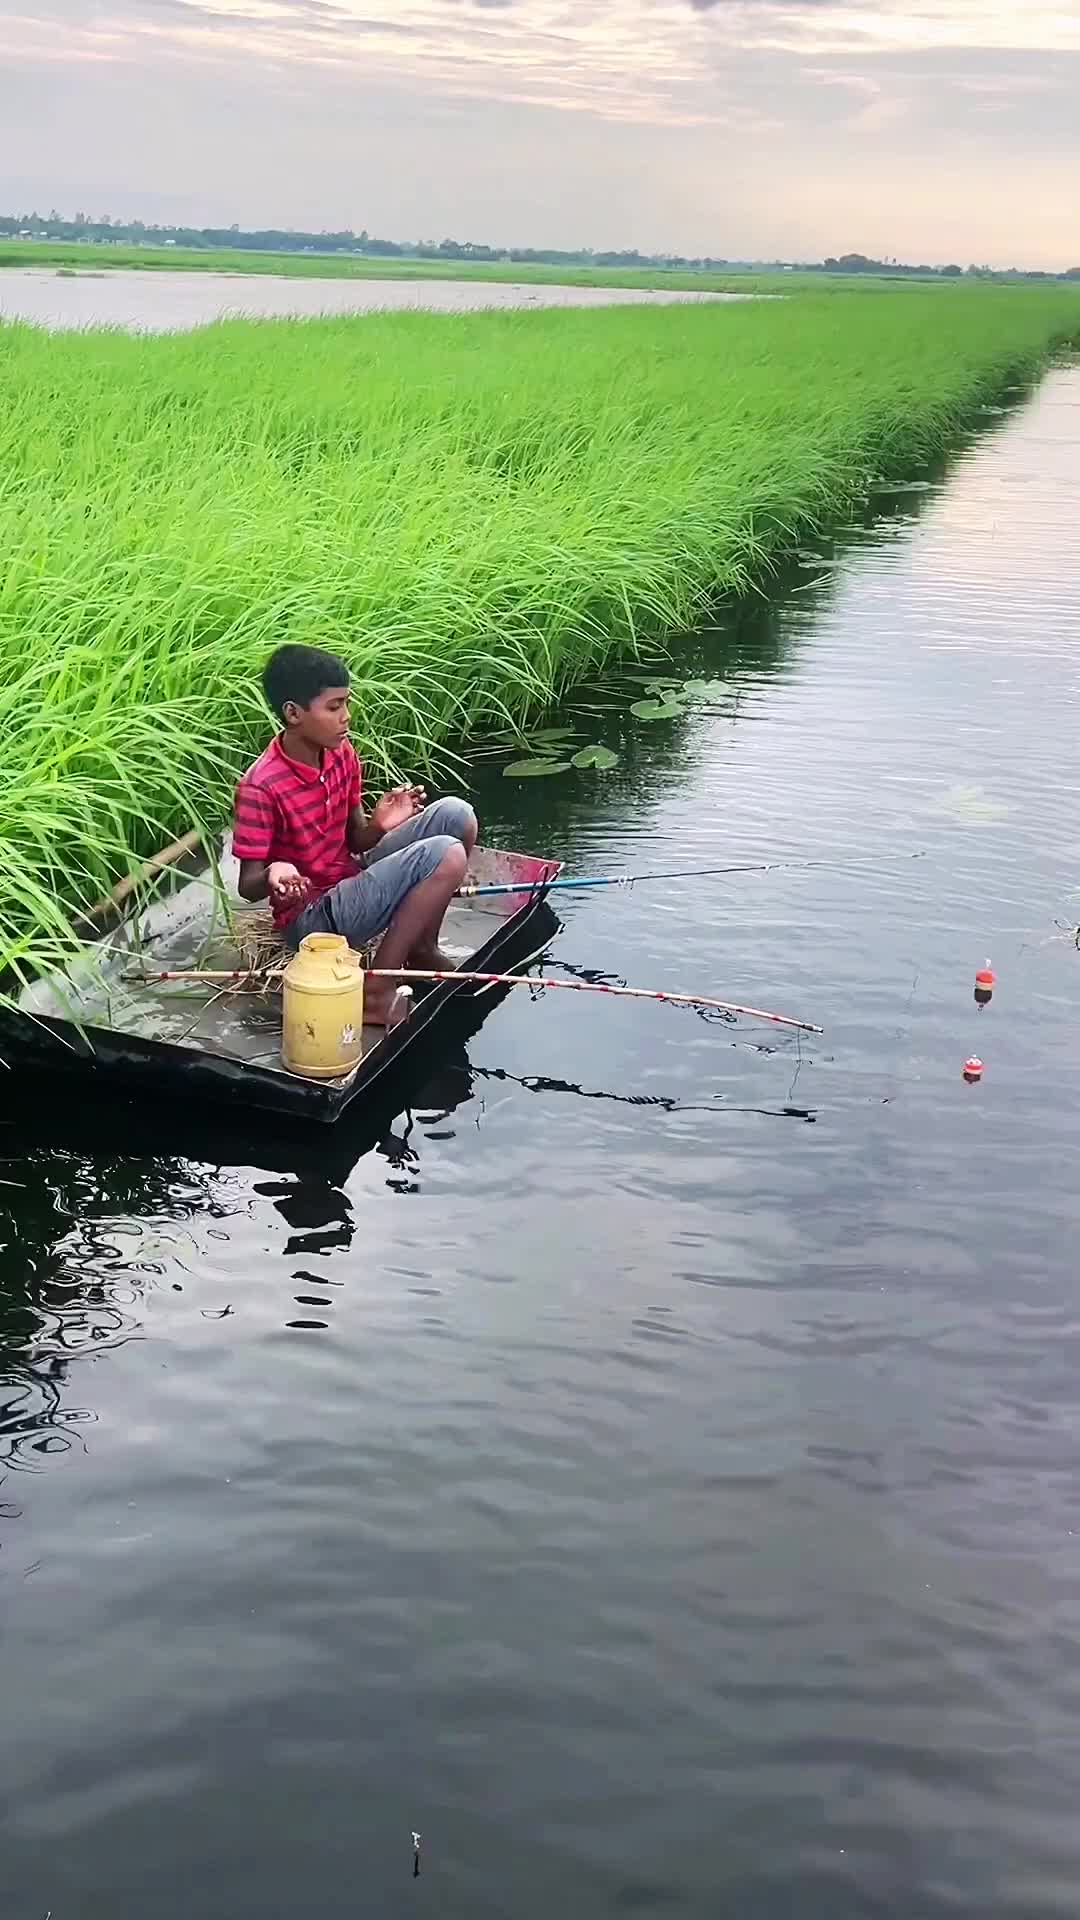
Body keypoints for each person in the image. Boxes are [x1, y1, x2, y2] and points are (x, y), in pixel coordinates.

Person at [233, 644, 477, 1026]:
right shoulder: (261, 786)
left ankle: (422, 948)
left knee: (457, 815)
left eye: (346, 704)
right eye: (334, 707)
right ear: (293, 713)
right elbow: (248, 885)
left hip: (348, 878)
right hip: (313, 917)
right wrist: (275, 871)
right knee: (446, 855)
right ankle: (377, 991)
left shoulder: (342, 752)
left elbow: (355, 841)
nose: (346, 717)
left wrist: (380, 825)